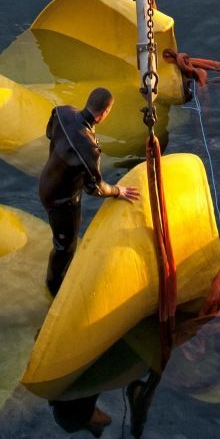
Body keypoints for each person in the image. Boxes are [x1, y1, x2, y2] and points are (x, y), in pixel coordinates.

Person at [38, 87, 140, 295]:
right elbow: (95, 188)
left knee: (62, 241)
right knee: (65, 248)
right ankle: (54, 287)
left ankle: (55, 281)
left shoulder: (62, 112)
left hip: (46, 184)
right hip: (63, 203)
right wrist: (117, 191)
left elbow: (50, 132)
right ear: (104, 114)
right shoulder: (90, 149)